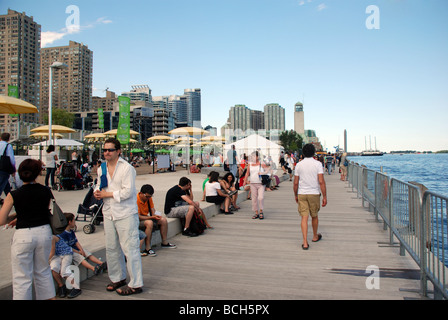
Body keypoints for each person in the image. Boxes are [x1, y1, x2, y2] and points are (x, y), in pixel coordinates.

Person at [93, 138, 143, 296]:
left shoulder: (127, 168)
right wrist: (97, 191)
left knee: (130, 249)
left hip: (125, 212)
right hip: (108, 212)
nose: (107, 153)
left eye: (110, 150)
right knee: (112, 248)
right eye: (105, 150)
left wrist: (107, 194)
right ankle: (117, 278)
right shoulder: (102, 168)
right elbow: (99, 184)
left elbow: (128, 192)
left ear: (118, 151)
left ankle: (136, 283)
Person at [0, 159, 55, 300]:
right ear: (37, 173)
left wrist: (16, 216)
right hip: (44, 232)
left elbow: (1, 220)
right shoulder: (46, 191)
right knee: (43, 272)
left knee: (22, 277)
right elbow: (42, 210)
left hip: (23, 234)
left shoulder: (13, 194)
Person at [293, 143, 327, 250]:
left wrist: (295, 194)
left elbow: (295, 183)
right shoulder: (317, 164)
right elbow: (321, 181)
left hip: (302, 193)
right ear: (313, 153)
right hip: (314, 193)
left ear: (303, 153)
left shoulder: (299, 165)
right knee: (314, 215)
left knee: (304, 217)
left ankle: (304, 242)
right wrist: (325, 196)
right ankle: (315, 236)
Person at [58, 212, 107, 278]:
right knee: (80, 258)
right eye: (73, 220)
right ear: (70, 222)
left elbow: (76, 242)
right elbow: (67, 247)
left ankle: (101, 264)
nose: (75, 222)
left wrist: (81, 250)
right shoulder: (63, 234)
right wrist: (78, 252)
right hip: (71, 251)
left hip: (76, 248)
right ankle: (93, 268)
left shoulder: (71, 231)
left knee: (87, 253)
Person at [137, 184, 176, 257]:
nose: (148, 198)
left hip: (146, 217)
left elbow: (152, 210)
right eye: (147, 196)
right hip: (138, 219)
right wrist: (151, 217)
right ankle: (148, 247)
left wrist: (156, 215)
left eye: (150, 197)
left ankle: (164, 242)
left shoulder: (149, 199)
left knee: (163, 220)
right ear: (141, 193)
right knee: (149, 223)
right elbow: (138, 217)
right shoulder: (136, 200)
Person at [243, 151, 267, 220]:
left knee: (261, 197)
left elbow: (267, 170)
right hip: (252, 183)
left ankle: (261, 211)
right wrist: (245, 181)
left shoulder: (261, 163)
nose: (252, 157)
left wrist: (262, 172)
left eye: (253, 156)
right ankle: (256, 212)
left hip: (261, 183)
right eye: (251, 156)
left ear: (257, 157)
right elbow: (247, 173)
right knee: (254, 199)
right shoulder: (249, 164)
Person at [0, 133, 15, 204]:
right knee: (2, 185)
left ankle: (12, 200)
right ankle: (12, 200)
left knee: (6, 185)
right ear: (9, 139)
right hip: (3, 168)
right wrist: (13, 169)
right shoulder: (8, 146)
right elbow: (11, 159)